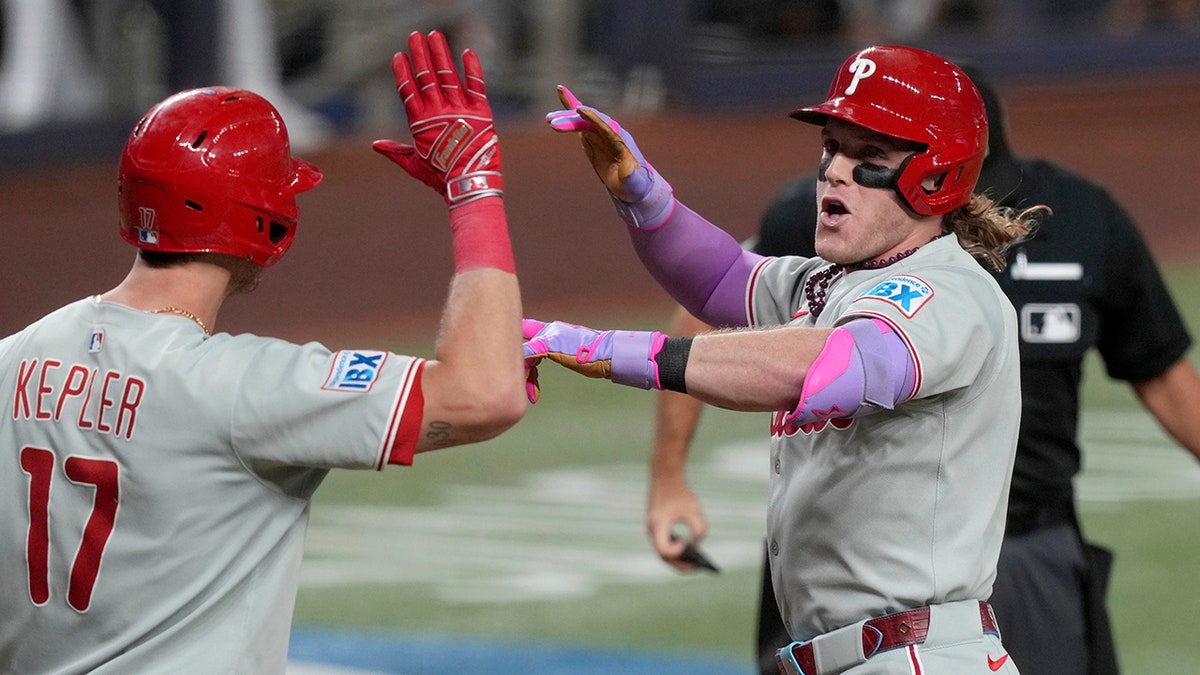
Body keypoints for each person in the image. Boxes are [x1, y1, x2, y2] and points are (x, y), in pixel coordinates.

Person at [647, 61, 1200, 675]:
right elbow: (714, 301)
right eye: (838, 148)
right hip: (847, 571)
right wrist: (668, 475)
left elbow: (1160, 369)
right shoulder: (828, 214)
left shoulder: (1081, 218)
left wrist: (620, 354)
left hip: (1025, 548)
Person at [0, 30, 525, 673]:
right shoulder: (240, 389)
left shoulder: (16, 357)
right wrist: (474, 189)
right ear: (265, 222)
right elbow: (488, 392)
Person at [525, 45, 1042, 674]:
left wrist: (610, 350)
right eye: (832, 148)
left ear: (935, 178)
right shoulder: (835, 283)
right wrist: (643, 195)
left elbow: (819, 366)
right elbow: (720, 278)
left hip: (920, 659)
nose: (834, 172)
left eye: (868, 159)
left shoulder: (945, 294)